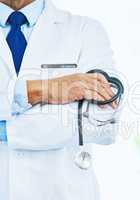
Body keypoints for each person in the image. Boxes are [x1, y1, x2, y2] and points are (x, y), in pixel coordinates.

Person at [0, 0, 122, 199]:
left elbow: (103, 124)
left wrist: (5, 130)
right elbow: (76, 119)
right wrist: (43, 90)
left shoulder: (85, 31)